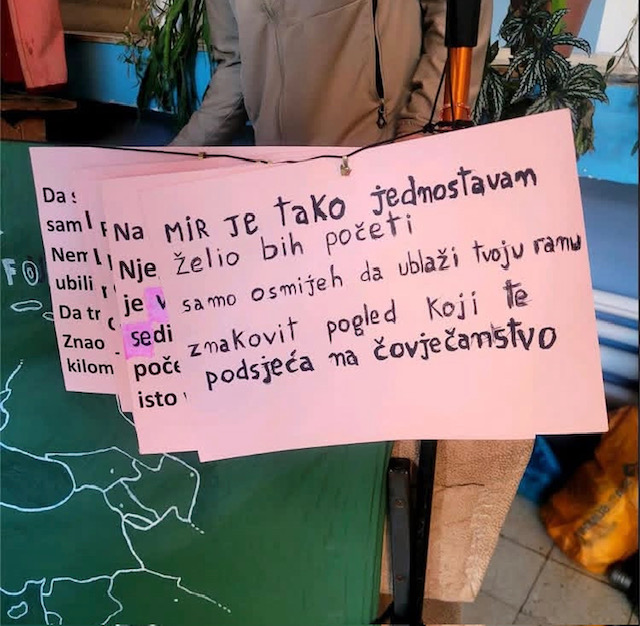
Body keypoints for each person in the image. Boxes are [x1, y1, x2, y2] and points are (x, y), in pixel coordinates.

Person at [172, 0, 535, 618]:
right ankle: (300, 581)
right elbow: (234, 70)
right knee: (290, 426)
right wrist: (170, 162)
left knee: (375, 445)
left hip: (376, 202)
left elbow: (453, 27)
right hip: (279, 209)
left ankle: (360, 588)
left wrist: (409, 145)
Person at [171, 0, 493, 147]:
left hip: (378, 162)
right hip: (278, 181)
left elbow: (456, 18)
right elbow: (236, 67)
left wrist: (420, 126)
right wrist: (170, 159)